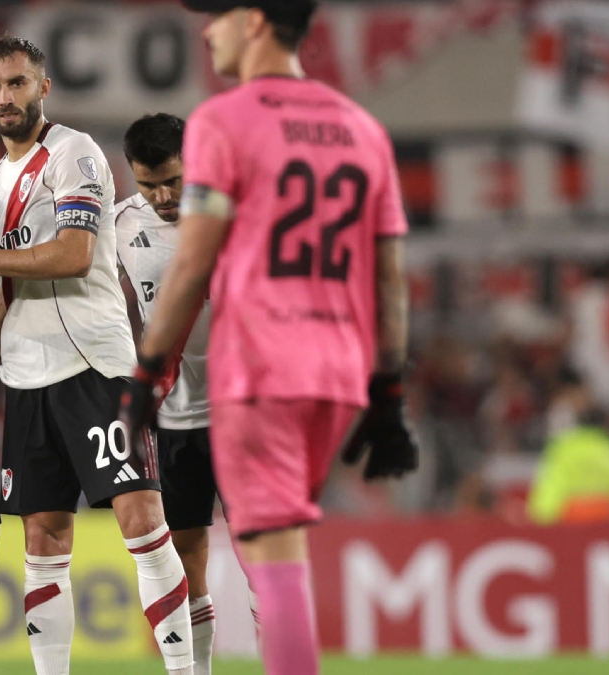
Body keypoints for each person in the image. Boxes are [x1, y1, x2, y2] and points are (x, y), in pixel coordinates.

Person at [119, 3, 419, 675]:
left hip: (256, 376)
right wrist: (389, 388)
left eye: (216, 17)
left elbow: (192, 265)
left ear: (253, 20)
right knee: (276, 550)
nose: (206, 31)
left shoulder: (227, 122)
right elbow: (389, 274)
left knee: (276, 567)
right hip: (335, 376)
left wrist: (143, 379)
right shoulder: (362, 128)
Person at [0, 37, 194, 675]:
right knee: (42, 542)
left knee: (143, 524)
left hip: (95, 367)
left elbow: (72, 253)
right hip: (28, 378)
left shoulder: (75, 154)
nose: (4, 98)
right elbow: (9, 297)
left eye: (16, 83)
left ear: (44, 88)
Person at [114, 113, 217, 675]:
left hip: (239, 415)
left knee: (258, 556)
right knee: (189, 555)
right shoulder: (120, 226)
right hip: (173, 420)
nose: (162, 195)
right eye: (149, 183)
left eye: (172, 180)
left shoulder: (231, 215)